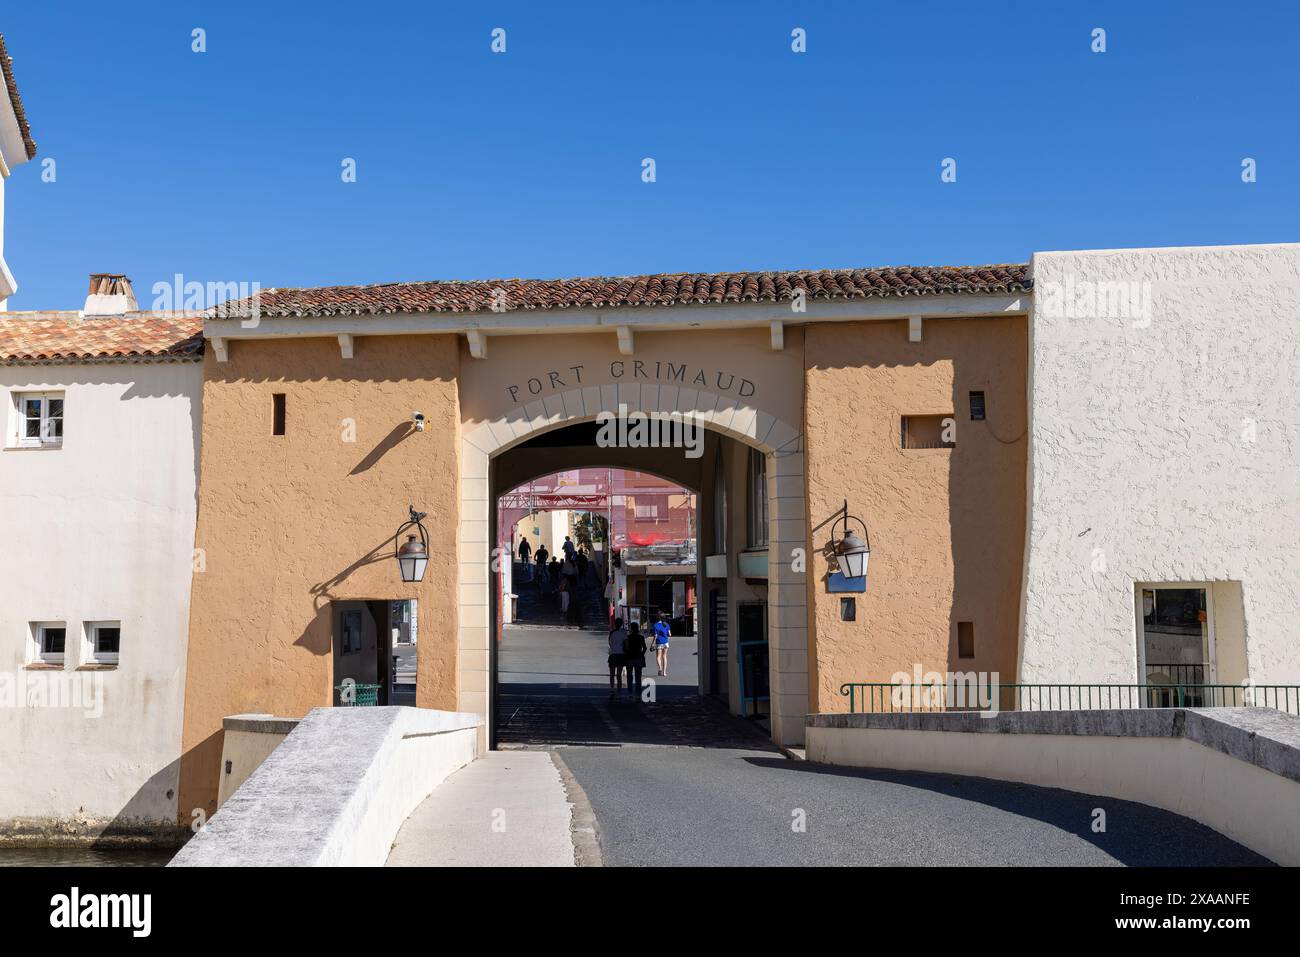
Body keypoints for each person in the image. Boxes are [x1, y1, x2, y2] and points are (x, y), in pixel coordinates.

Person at [623, 622, 647, 699]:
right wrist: (641, 653)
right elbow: (645, 648)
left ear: (631, 629)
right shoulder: (641, 637)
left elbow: (624, 648)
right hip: (638, 657)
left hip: (629, 658)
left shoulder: (627, 637)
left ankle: (630, 691)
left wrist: (626, 653)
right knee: (638, 676)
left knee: (629, 676)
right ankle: (638, 692)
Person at [607, 617, 628, 698]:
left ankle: (612, 688)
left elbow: (610, 642)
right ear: (621, 624)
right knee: (618, 674)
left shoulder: (612, 632)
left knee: (612, 674)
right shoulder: (623, 633)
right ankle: (619, 689)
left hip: (613, 655)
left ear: (615, 624)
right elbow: (626, 644)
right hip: (621, 654)